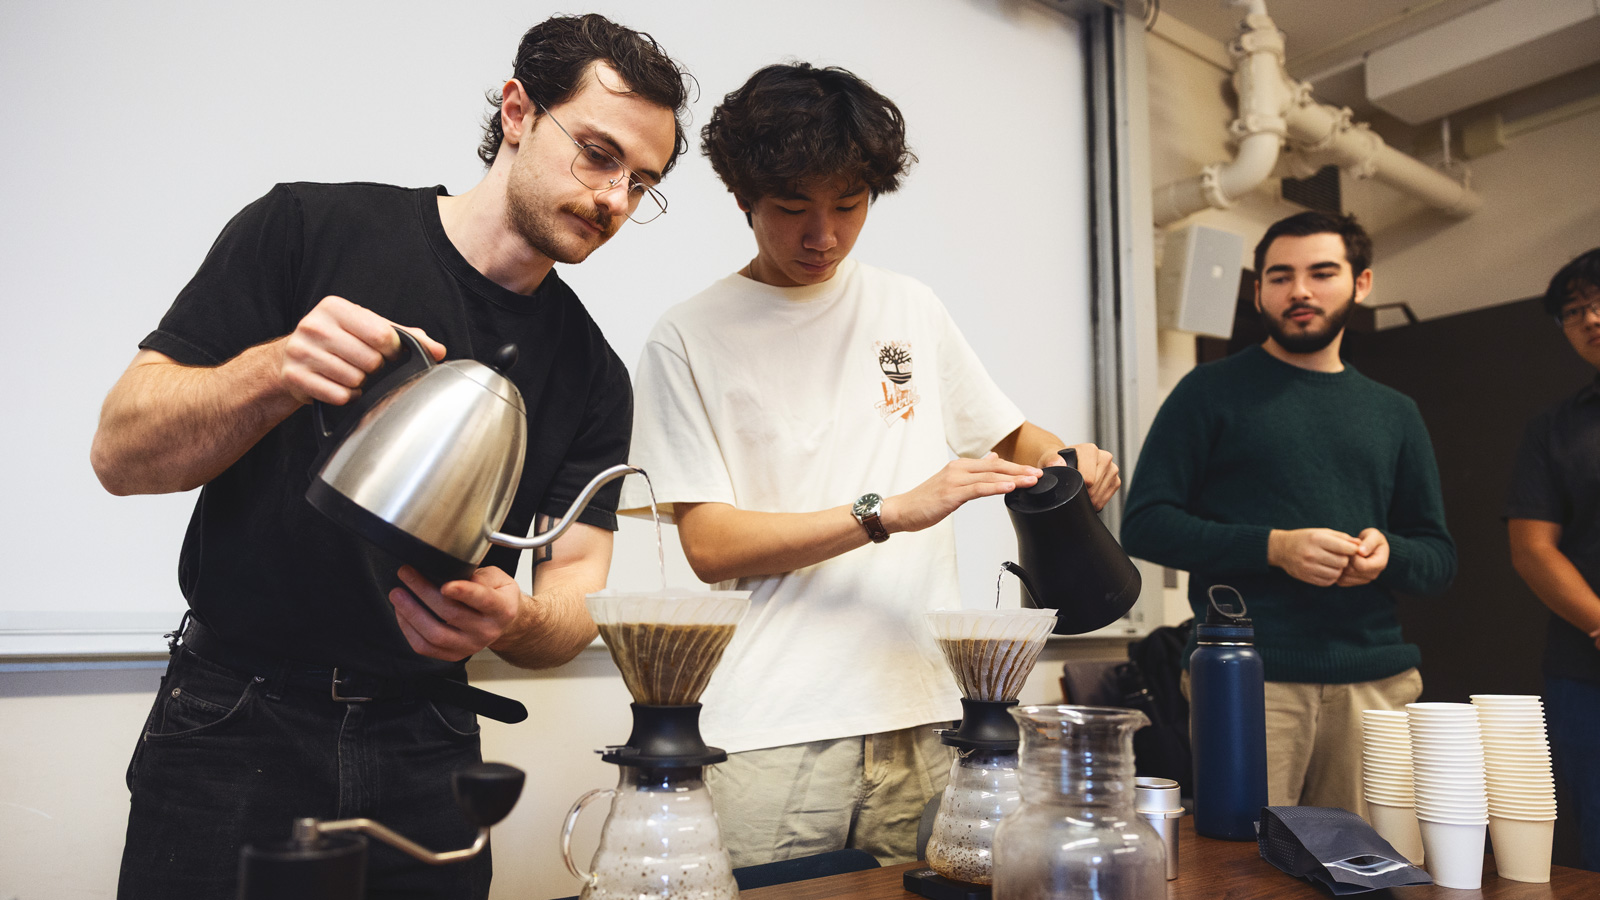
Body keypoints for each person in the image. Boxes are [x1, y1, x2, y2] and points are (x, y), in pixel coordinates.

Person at [88, 15, 689, 899]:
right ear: (518, 111)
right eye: (598, 154)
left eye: (643, 183)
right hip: (234, 718)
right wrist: (274, 371)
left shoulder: (595, 375)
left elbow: (576, 593)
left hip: (428, 737)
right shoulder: (307, 228)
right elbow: (120, 454)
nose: (615, 200)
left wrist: (514, 622)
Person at [620, 62, 1119, 867]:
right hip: (774, 729)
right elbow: (709, 546)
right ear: (742, 196)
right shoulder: (688, 336)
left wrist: (1072, 458)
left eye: (848, 207)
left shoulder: (908, 307)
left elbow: (1010, 435)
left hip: (925, 712)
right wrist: (882, 513)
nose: (823, 235)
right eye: (792, 209)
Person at [1121, 211, 1456, 817]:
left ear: (1362, 282)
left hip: (1376, 682)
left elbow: (1437, 559)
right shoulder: (1208, 391)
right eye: (1280, 276)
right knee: (1245, 869)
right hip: (1248, 679)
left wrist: (1389, 554)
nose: (1299, 290)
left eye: (1321, 272)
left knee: (1369, 872)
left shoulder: (1395, 411)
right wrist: (1272, 547)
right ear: (1258, 292)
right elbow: (1144, 522)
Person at [1506, 248, 1600, 872]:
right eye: (1573, 310)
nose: (1591, 318)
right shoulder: (1556, 429)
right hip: (1584, 667)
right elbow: (1532, 547)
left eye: (1599, 300)